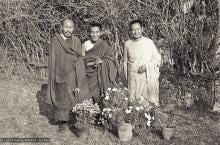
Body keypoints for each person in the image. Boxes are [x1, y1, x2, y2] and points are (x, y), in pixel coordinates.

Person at [48, 19, 90, 133]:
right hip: (59, 74)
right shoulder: (56, 40)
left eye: (70, 27)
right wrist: (53, 74)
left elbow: (79, 57)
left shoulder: (76, 40)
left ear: (74, 28)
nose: (68, 30)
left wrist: (79, 71)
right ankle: (63, 123)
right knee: (61, 99)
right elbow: (52, 58)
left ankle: (73, 119)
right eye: (66, 27)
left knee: (72, 97)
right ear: (62, 27)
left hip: (72, 74)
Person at [124, 20, 161, 106]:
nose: (136, 32)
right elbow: (125, 62)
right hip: (132, 78)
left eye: (138, 29)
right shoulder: (127, 44)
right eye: (133, 30)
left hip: (145, 76)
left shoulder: (148, 42)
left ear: (142, 29)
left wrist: (146, 66)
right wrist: (127, 78)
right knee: (132, 104)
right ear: (130, 31)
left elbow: (157, 58)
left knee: (145, 104)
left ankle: (149, 118)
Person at [82, 23, 117, 103]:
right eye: (92, 32)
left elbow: (111, 60)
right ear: (89, 33)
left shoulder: (105, 45)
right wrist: (93, 63)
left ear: (101, 33)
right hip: (87, 77)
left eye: (97, 32)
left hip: (100, 76)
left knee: (99, 99)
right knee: (87, 100)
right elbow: (80, 63)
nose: (95, 35)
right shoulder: (84, 45)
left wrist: (103, 62)